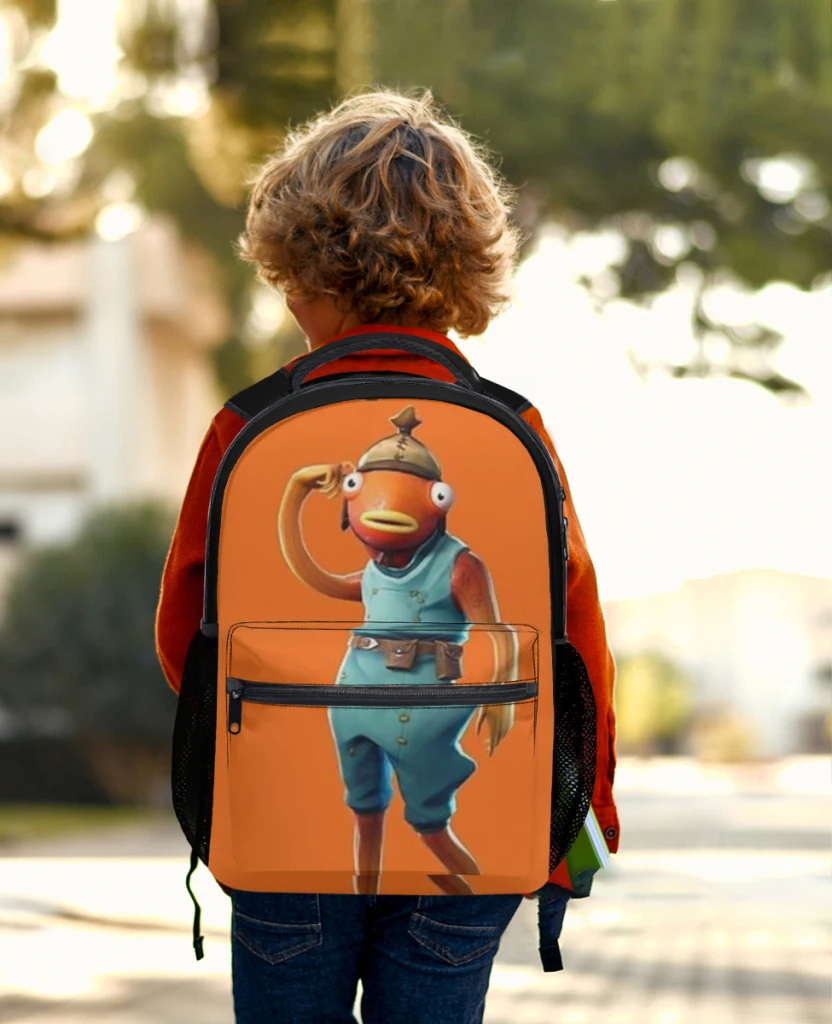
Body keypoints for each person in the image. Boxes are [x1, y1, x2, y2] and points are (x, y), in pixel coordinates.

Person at [156, 88, 618, 1024]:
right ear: (467, 269)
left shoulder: (246, 426)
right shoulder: (515, 428)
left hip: (287, 825)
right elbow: (577, 639)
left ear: (300, 270)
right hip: (476, 829)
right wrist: (586, 812)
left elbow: (182, 639)